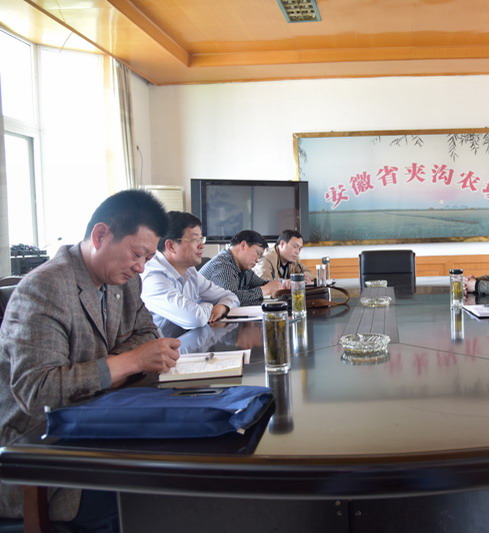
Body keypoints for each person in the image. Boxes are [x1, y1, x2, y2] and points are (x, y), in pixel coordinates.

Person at [0, 190, 181, 529]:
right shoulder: (44, 288)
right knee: (155, 490)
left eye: (147, 257)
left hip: (102, 423)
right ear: (100, 235)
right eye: (136, 254)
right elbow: (37, 391)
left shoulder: (125, 283)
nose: (141, 267)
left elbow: (147, 334)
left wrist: (110, 365)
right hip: (43, 449)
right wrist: (130, 362)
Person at [141, 212, 239, 331]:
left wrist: (221, 307)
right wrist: (209, 306)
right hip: (162, 342)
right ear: (171, 246)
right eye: (194, 240)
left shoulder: (190, 271)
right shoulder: (152, 277)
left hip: (188, 339)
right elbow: (195, 318)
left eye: (201, 239)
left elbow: (230, 296)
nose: (201, 246)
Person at [199, 230, 284, 306]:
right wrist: (263, 291)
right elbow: (230, 298)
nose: (257, 260)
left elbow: (264, 284)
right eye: (258, 253)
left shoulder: (244, 269)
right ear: (243, 245)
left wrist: (281, 284)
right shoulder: (222, 265)